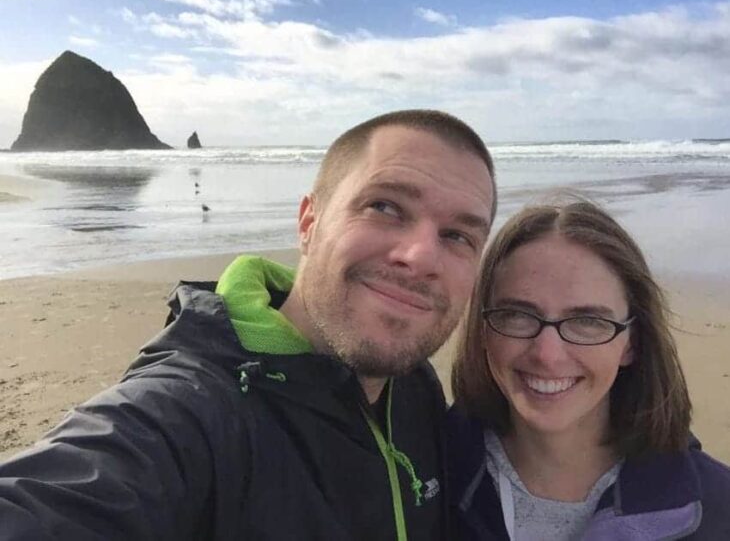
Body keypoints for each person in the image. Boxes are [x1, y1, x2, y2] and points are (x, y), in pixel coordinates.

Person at [0, 110, 496, 540]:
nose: (420, 257)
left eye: (457, 235)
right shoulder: (189, 415)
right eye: (384, 207)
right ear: (308, 224)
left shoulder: (412, 383)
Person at [447, 199, 730, 540]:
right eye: (517, 315)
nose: (547, 355)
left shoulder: (716, 511)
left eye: (587, 321)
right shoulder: (424, 473)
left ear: (632, 342)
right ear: (483, 330)